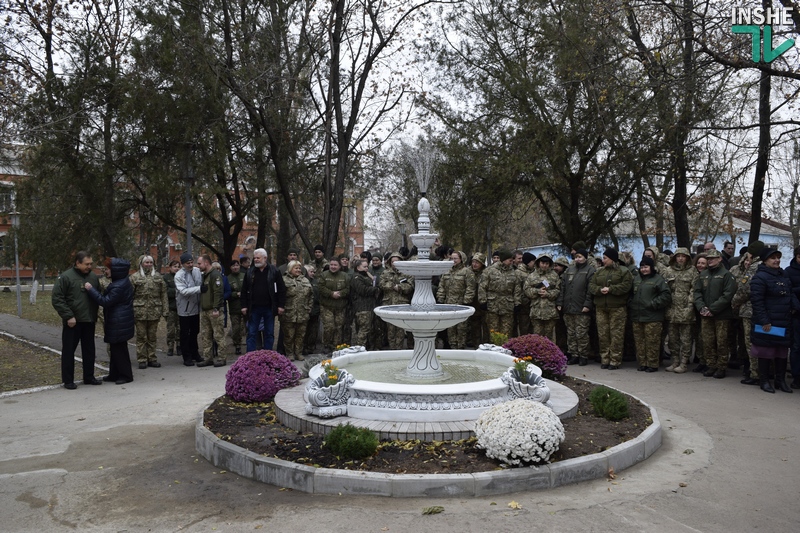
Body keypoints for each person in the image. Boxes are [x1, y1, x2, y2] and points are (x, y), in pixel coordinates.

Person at [52, 251, 103, 389]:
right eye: (86, 264)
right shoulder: (66, 277)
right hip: (73, 322)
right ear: (78, 263)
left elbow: (98, 294)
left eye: (91, 263)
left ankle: (89, 377)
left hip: (89, 320)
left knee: (89, 350)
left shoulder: (93, 277)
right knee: (69, 351)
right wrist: (68, 316)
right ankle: (68, 381)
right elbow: (57, 298)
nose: (89, 266)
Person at [750, 248, 798, 393]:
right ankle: (764, 381)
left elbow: (790, 295)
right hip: (768, 322)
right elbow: (757, 302)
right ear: (765, 261)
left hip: (783, 320)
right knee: (765, 351)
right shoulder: (760, 277)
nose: (776, 260)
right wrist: (764, 320)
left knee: (781, 352)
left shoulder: (783, 275)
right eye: (773, 258)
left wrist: (796, 307)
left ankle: (780, 381)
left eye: (778, 257)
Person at [85, 258, 134, 384]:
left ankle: (126, 375)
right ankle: (114, 374)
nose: (106, 271)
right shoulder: (121, 282)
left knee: (119, 349)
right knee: (116, 348)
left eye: (108, 269)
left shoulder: (119, 286)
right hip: (119, 320)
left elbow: (105, 301)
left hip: (118, 321)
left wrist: (91, 290)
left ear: (116, 271)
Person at [693, 249, 737, 378]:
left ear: (719, 259)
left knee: (721, 341)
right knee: (707, 341)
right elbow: (697, 292)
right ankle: (711, 365)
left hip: (721, 315)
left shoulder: (726, 275)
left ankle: (721, 367)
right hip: (705, 314)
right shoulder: (703, 275)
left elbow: (728, 295)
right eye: (709, 258)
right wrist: (701, 307)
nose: (710, 260)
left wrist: (712, 309)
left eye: (713, 258)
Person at [589, 248, 633, 370]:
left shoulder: (623, 271)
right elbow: (591, 285)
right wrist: (599, 290)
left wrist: (611, 289)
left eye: (605, 258)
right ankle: (605, 359)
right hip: (601, 307)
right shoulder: (599, 272)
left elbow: (626, 286)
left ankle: (615, 360)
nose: (603, 261)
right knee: (603, 335)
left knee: (616, 335)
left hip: (617, 308)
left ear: (612, 259)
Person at [629, 257, 672, 372]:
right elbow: (631, 294)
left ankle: (652, 364)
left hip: (652, 317)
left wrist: (653, 304)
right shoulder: (637, 279)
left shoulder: (658, 280)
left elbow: (666, 296)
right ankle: (642, 363)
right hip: (637, 316)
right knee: (639, 342)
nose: (644, 269)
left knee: (652, 342)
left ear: (651, 268)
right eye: (642, 267)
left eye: (646, 267)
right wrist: (631, 304)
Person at [730, 242, 764, 385]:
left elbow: (744, 290)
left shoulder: (753, 268)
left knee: (751, 343)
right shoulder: (766, 266)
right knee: (764, 342)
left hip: (749, 311)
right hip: (763, 311)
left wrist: (734, 304)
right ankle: (767, 372)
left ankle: (755, 373)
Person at [241, 248, 286, 352]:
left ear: (265, 258)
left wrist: (281, 305)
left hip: (269, 308)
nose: (256, 260)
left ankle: (268, 355)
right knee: (252, 333)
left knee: (269, 333)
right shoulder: (250, 272)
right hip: (254, 308)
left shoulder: (274, 271)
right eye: (255, 258)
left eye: (258, 258)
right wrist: (244, 306)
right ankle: (250, 356)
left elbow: (281, 289)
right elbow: (244, 290)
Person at [662, 248, 699, 373]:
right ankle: (675, 361)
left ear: (688, 258)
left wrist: (689, 306)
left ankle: (684, 363)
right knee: (672, 339)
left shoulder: (692, 271)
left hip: (685, 309)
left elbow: (694, 290)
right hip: (671, 310)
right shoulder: (668, 271)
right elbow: (664, 289)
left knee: (686, 339)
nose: (681, 259)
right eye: (678, 256)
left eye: (684, 256)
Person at [557, 248, 596, 365]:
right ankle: (574, 354)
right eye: (576, 257)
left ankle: (583, 355)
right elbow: (562, 288)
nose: (577, 259)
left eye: (580, 257)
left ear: (585, 258)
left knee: (581, 333)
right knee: (571, 333)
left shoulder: (590, 271)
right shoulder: (569, 270)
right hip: (568, 308)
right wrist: (560, 303)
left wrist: (587, 304)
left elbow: (590, 290)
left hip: (582, 308)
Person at [130, 255, 168, 369]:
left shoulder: (158, 277)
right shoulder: (134, 277)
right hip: (139, 312)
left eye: (151, 262)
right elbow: (129, 296)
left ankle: (152, 358)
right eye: (146, 262)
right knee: (141, 337)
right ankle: (142, 359)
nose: (149, 264)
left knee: (152, 336)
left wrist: (165, 310)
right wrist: (129, 311)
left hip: (154, 311)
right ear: (141, 263)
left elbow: (163, 294)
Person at [436, 251, 476, 349]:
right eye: (451, 259)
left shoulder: (467, 272)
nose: (453, 261)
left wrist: (466, 301)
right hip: (448, 305)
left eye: (455, 259)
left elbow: (470, 288)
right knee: (450, 329)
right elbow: (441, 286)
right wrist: (440, 298)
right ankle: (453, 347)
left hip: (461, 305)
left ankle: (461, 348)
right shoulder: (446, 271)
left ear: (461, 259)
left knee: (461, 328)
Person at [478, 249, 521, 338]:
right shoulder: (489, 271)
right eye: (510, 260)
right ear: (504, 259)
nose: (511, 262)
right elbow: (482, 287)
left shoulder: (514, 272)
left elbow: (517, 289)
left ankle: (504, 350)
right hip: (492, 306)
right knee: (493, 332)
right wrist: (483, 301)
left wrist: (517, 303)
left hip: (507, 306)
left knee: (506, 333)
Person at [196, 255, 227, 367]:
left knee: (218, 334)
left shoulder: (215, 275)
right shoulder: (205, 275)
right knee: (206, 335)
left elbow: (218, 292)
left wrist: (216, 308)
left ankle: (222, 358)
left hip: (213, 310)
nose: (198, 266)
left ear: (206, 263)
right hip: (204, 310)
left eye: (199, 263)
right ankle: (207, 357)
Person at [379, 253, 415, 349]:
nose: (394, 263)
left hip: (401, 303)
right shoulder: (385, 273)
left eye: (397, 261)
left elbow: (409, 287)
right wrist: (391, 286)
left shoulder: (406, 273)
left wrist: (398, 287)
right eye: (393, 261)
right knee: (390, 329)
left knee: (400, 330)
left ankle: (399, 349)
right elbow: (382, 285)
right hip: (389, 303)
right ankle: (392, 349)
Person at [524, 254, 561, 343]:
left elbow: (558, 290)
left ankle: (549, 356)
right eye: (542, 263)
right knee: (537, 337)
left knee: (549, 337)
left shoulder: (554, 276)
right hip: (536, 311)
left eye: (547, 263)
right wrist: (537, 291)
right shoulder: (532, 276)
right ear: (538, 263)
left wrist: (548, 294)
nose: (544, 265)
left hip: (550, 311)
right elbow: (526, 290)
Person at [174, 252, 203, 367]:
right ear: (183, 264)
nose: (190, 265)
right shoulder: (179, 276)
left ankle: (195, 353)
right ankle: (186, 356)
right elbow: (184, 291)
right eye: (188, 263)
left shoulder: (196, 271)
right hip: (184, 309)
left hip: (195, 308)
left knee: (195, 332)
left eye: (192, 262)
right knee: (185, 333)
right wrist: (199, 289)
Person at [281, 260, 313, 360]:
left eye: (299, 268)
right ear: (290, 269)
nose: (298, 270)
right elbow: (280, 296)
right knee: (289, 335)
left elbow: (311, 296)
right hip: (289, 313)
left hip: (303, 313)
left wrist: (309, 308)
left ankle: (298, 352)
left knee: (300, 335)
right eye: (296, 268)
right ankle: (289, 353)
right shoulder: (284, 280)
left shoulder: (305, 280)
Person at [317, 257, 351, 352]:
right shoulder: (324, 275)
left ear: (339, 266)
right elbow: (320, 287)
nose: (333, 267)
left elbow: (348, 289)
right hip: (326, 306)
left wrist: (340, 294)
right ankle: (326, 345)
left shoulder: (345, 276)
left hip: (340, 306)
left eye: (335, 265)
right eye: (331, 265)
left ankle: (336, 346)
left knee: (339, 327)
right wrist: (331, 294)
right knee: (329, 326)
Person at [350, 258, 381, 348]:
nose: (366, 268)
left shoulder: (366, 276)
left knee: (370, 329)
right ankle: (359, 348)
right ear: (358, 267)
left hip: (369, 306)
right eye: (364, 267)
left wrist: (373, 280)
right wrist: (375, 289)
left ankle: (368, 347)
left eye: (367, 266)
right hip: (362, 308)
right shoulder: (356, 277)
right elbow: (363, 290)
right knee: (363, 330)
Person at [786, 246, 800, 389]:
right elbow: (786, 290)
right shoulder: (789, 272)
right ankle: (797, 376)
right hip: (797, 314)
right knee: (796, 347)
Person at [162, 260, 181, 357]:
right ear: (170, 267)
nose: (176, 268)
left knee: (180, 328)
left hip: (181, 308)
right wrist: (178, 290)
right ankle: (170, 347)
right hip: (171, 307)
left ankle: (179, 346)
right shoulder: (166, 278)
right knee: (171, 329)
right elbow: (166, 291)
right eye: (174, 266)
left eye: (178, 266)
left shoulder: (182, 277)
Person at [227, 259, 246, 355]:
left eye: (237, 265)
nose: (235, 267)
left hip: (245, 306)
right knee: (236, 328)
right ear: (230, 267)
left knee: (246, 326)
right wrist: (235, 294)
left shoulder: (244, 276)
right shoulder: (228, 278)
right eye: (233, 266)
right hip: (234, 307)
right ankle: (237, 344)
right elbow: (226, 293)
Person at [303, 264, 321, 355]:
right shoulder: (302, 281)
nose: (313, 273)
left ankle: (311, 347)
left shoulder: (316, 282)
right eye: (311, 271)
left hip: (315, 309)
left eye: (314, 272)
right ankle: (303, 347)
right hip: (304, 310)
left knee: (313, 330)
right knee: (304, 330)